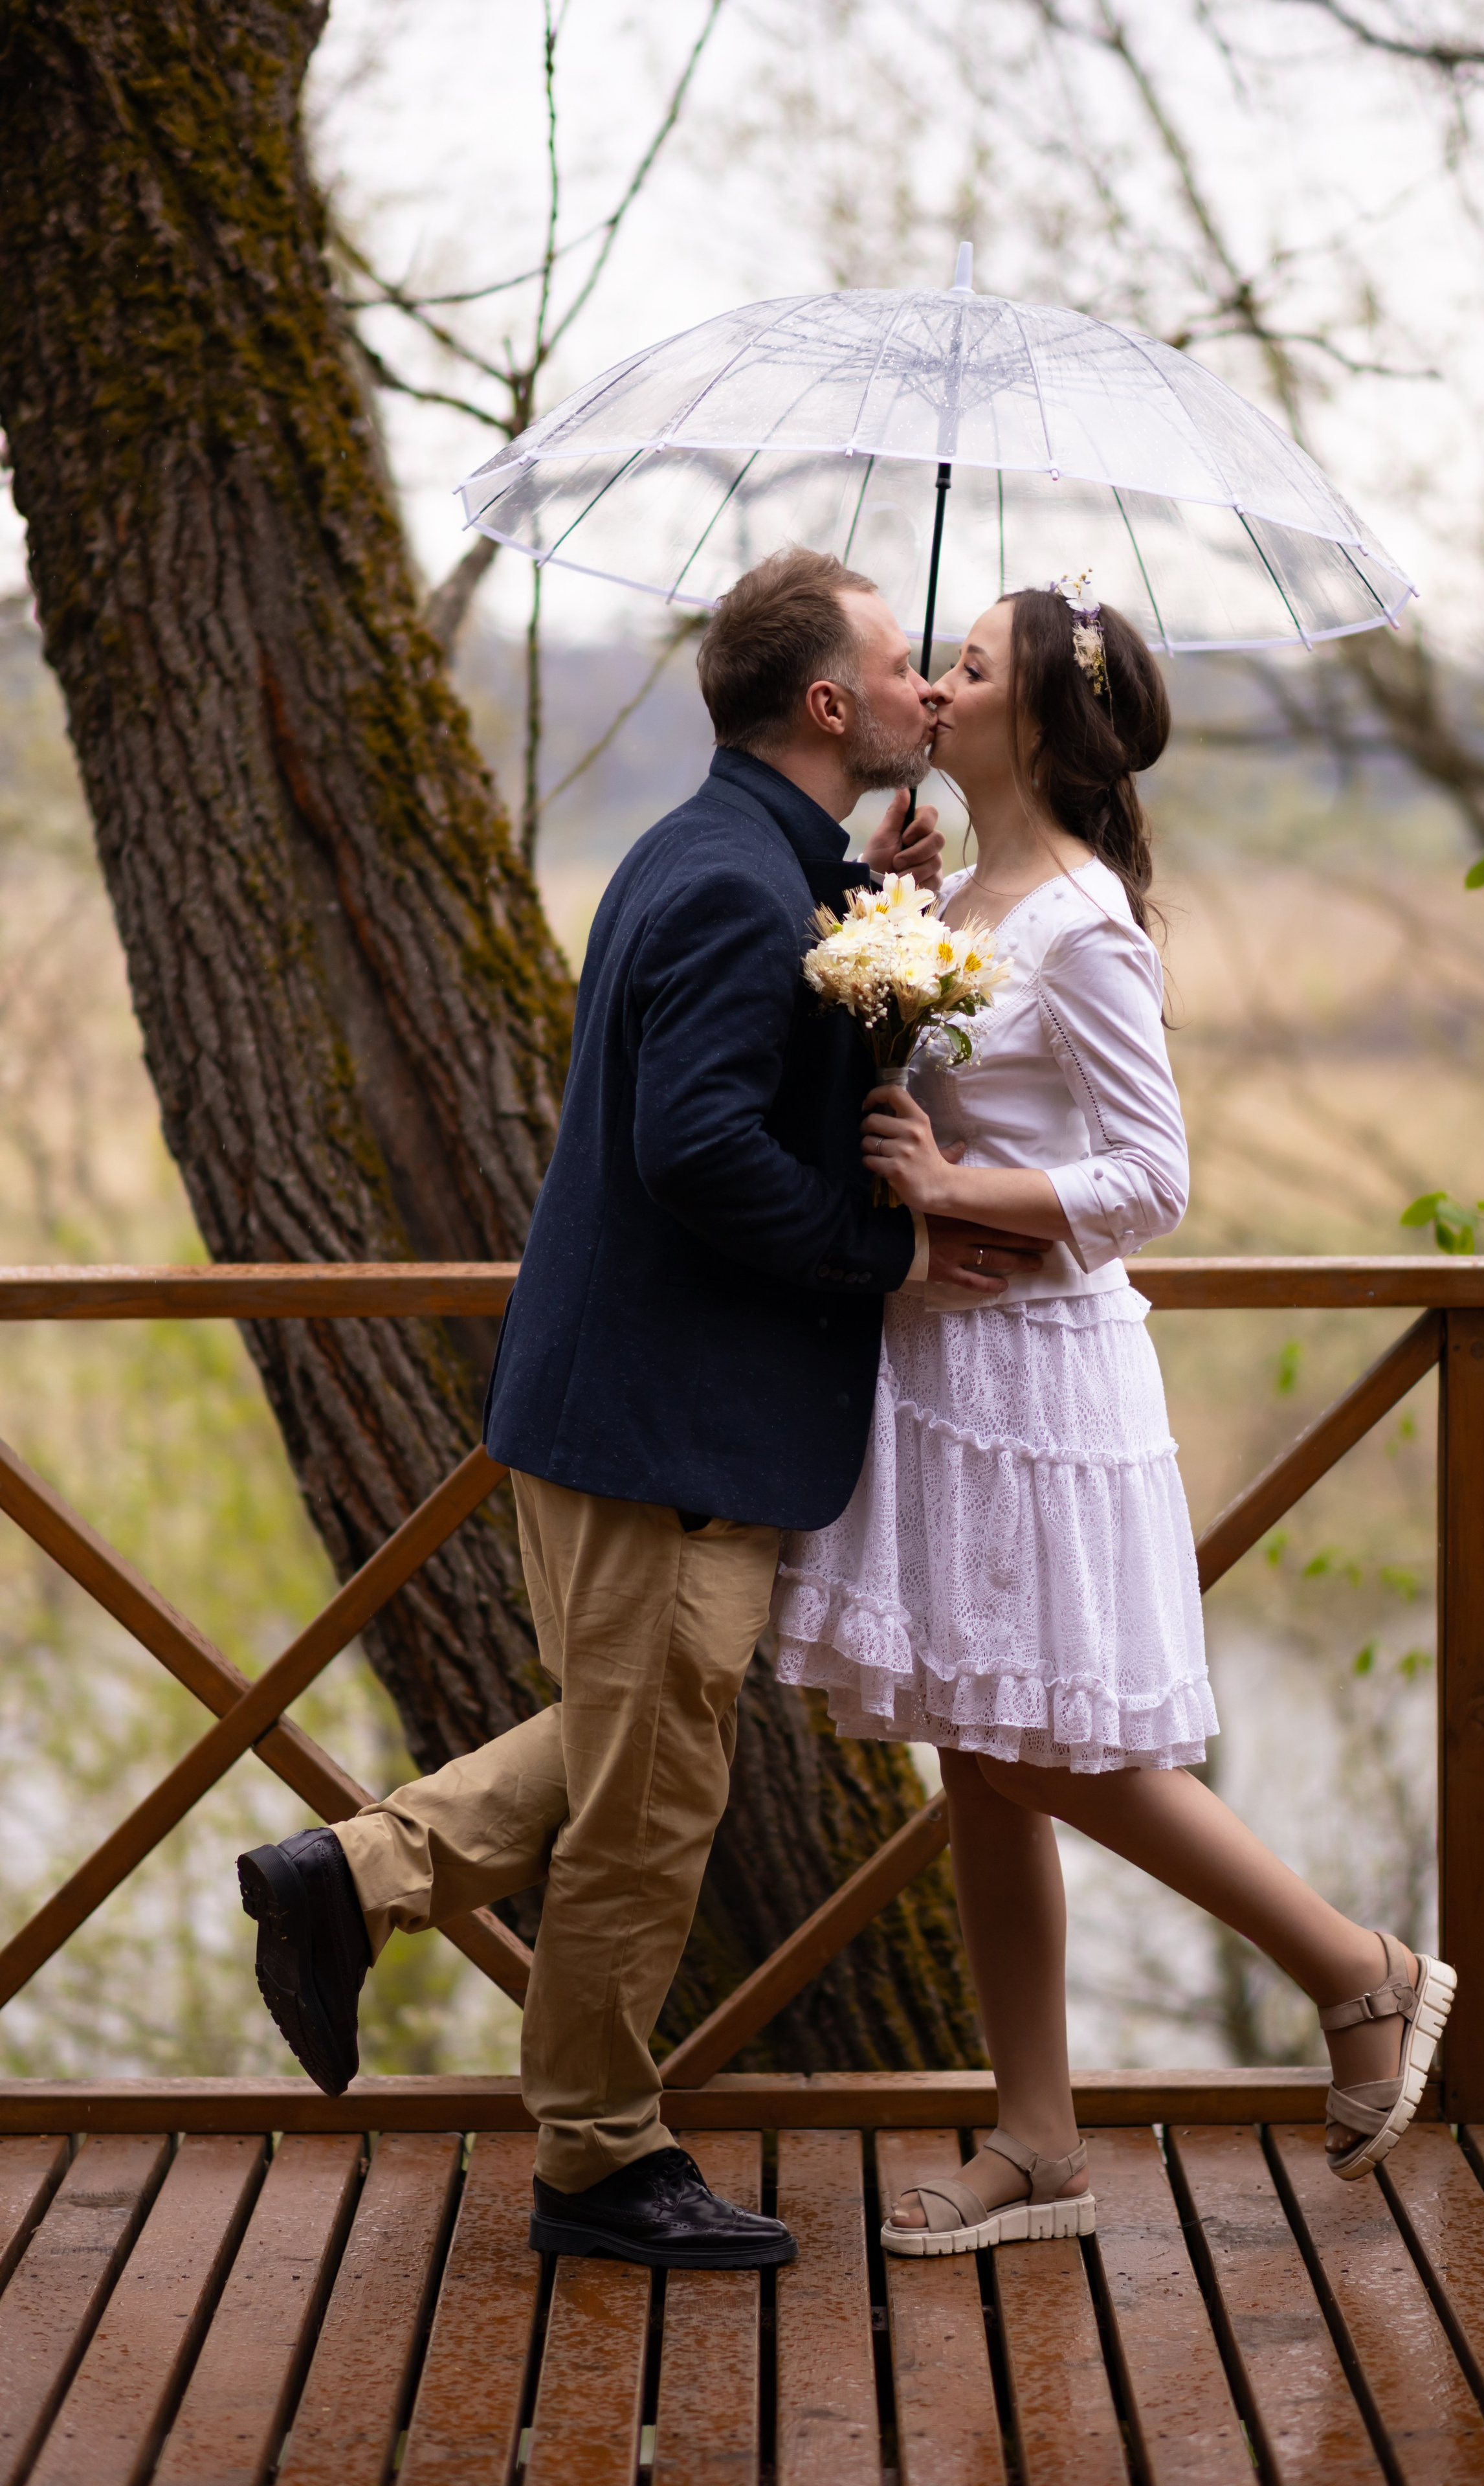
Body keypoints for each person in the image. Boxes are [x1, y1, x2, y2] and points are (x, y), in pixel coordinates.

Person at [236, 548, 1054, 2272]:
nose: (924, 689)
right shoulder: (732, 888)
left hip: (650, 1419)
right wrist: (891, 1248)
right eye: (899, 664)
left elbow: (751, 1059)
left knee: (639, 1749)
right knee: (652, 1811)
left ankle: (355, 1877)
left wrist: (871, 894)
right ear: (825, 701)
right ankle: (598, 2161)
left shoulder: (748, 859)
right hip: (661, 1429)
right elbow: (698, 1149)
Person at [773, 583, 1457, 2256]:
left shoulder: (1084, 923)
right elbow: (937, 1088)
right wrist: (887, 916)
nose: (940, 686)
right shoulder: (957, 892)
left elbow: (1154, 1178)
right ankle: (1039, 2143)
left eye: (971, 667)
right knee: (981, 1762)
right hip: (941, 1364)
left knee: (1048, 1746)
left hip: (1041, 1379)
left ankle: (1357, 1968)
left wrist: (955, 1185)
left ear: (1041, 721)